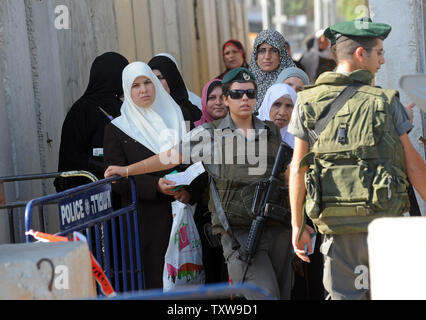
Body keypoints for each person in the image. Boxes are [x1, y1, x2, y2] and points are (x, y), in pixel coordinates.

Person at [105, 68, 294, 300]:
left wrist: (301, 221)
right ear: (225, 99)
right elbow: (170, 157)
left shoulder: (271, 131)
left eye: (250, 93)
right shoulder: (210, 134)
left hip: (278, 228)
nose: (244, 99)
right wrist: (127, 170)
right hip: (241, 233)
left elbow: (288, 175)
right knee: (266, 295)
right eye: (236, 94)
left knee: (283, 294)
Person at [288, 18, 426, 300]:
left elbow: (297, 170)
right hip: (386, 229)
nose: (383, 60)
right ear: (361, 54)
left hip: (338, 236)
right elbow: (413, 165)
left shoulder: (306, 102)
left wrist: (297, 225)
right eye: (380, 52)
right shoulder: (386, 102)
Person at [103, 61, 207, 290]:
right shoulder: (118, 128)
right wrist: (154, 186)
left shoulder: (178, 116)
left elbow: (199, 161)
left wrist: (190, 191)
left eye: (148, 82)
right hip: (145, 220)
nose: (143, 90)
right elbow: (115, 177)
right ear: (126, 91)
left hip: (183, 213)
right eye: (135, 85)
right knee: (153, 283)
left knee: (187, 283)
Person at [54, 52, 129, 192]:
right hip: (88, 193)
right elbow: (70, 155)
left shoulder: (122, 107)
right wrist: (100, 166)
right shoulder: (83, 109)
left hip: (119, 191)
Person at [148, 55, 202, 129]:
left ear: (172, 79)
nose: (156, 83)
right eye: (152, 79)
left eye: (160, 78)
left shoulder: (190, 113)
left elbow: (190, 138)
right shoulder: (144, 113)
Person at [249, 29, 296, 111]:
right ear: (255, 55)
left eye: (274, 51)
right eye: (262, 51)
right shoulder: (245, 83)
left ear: (282, 54)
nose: (267, 56)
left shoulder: (293, 82)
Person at [257, 83, 297, 149]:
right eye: (277, 105)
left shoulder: (299, 139)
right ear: (267, 106)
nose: (282, 112)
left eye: (288, 106)